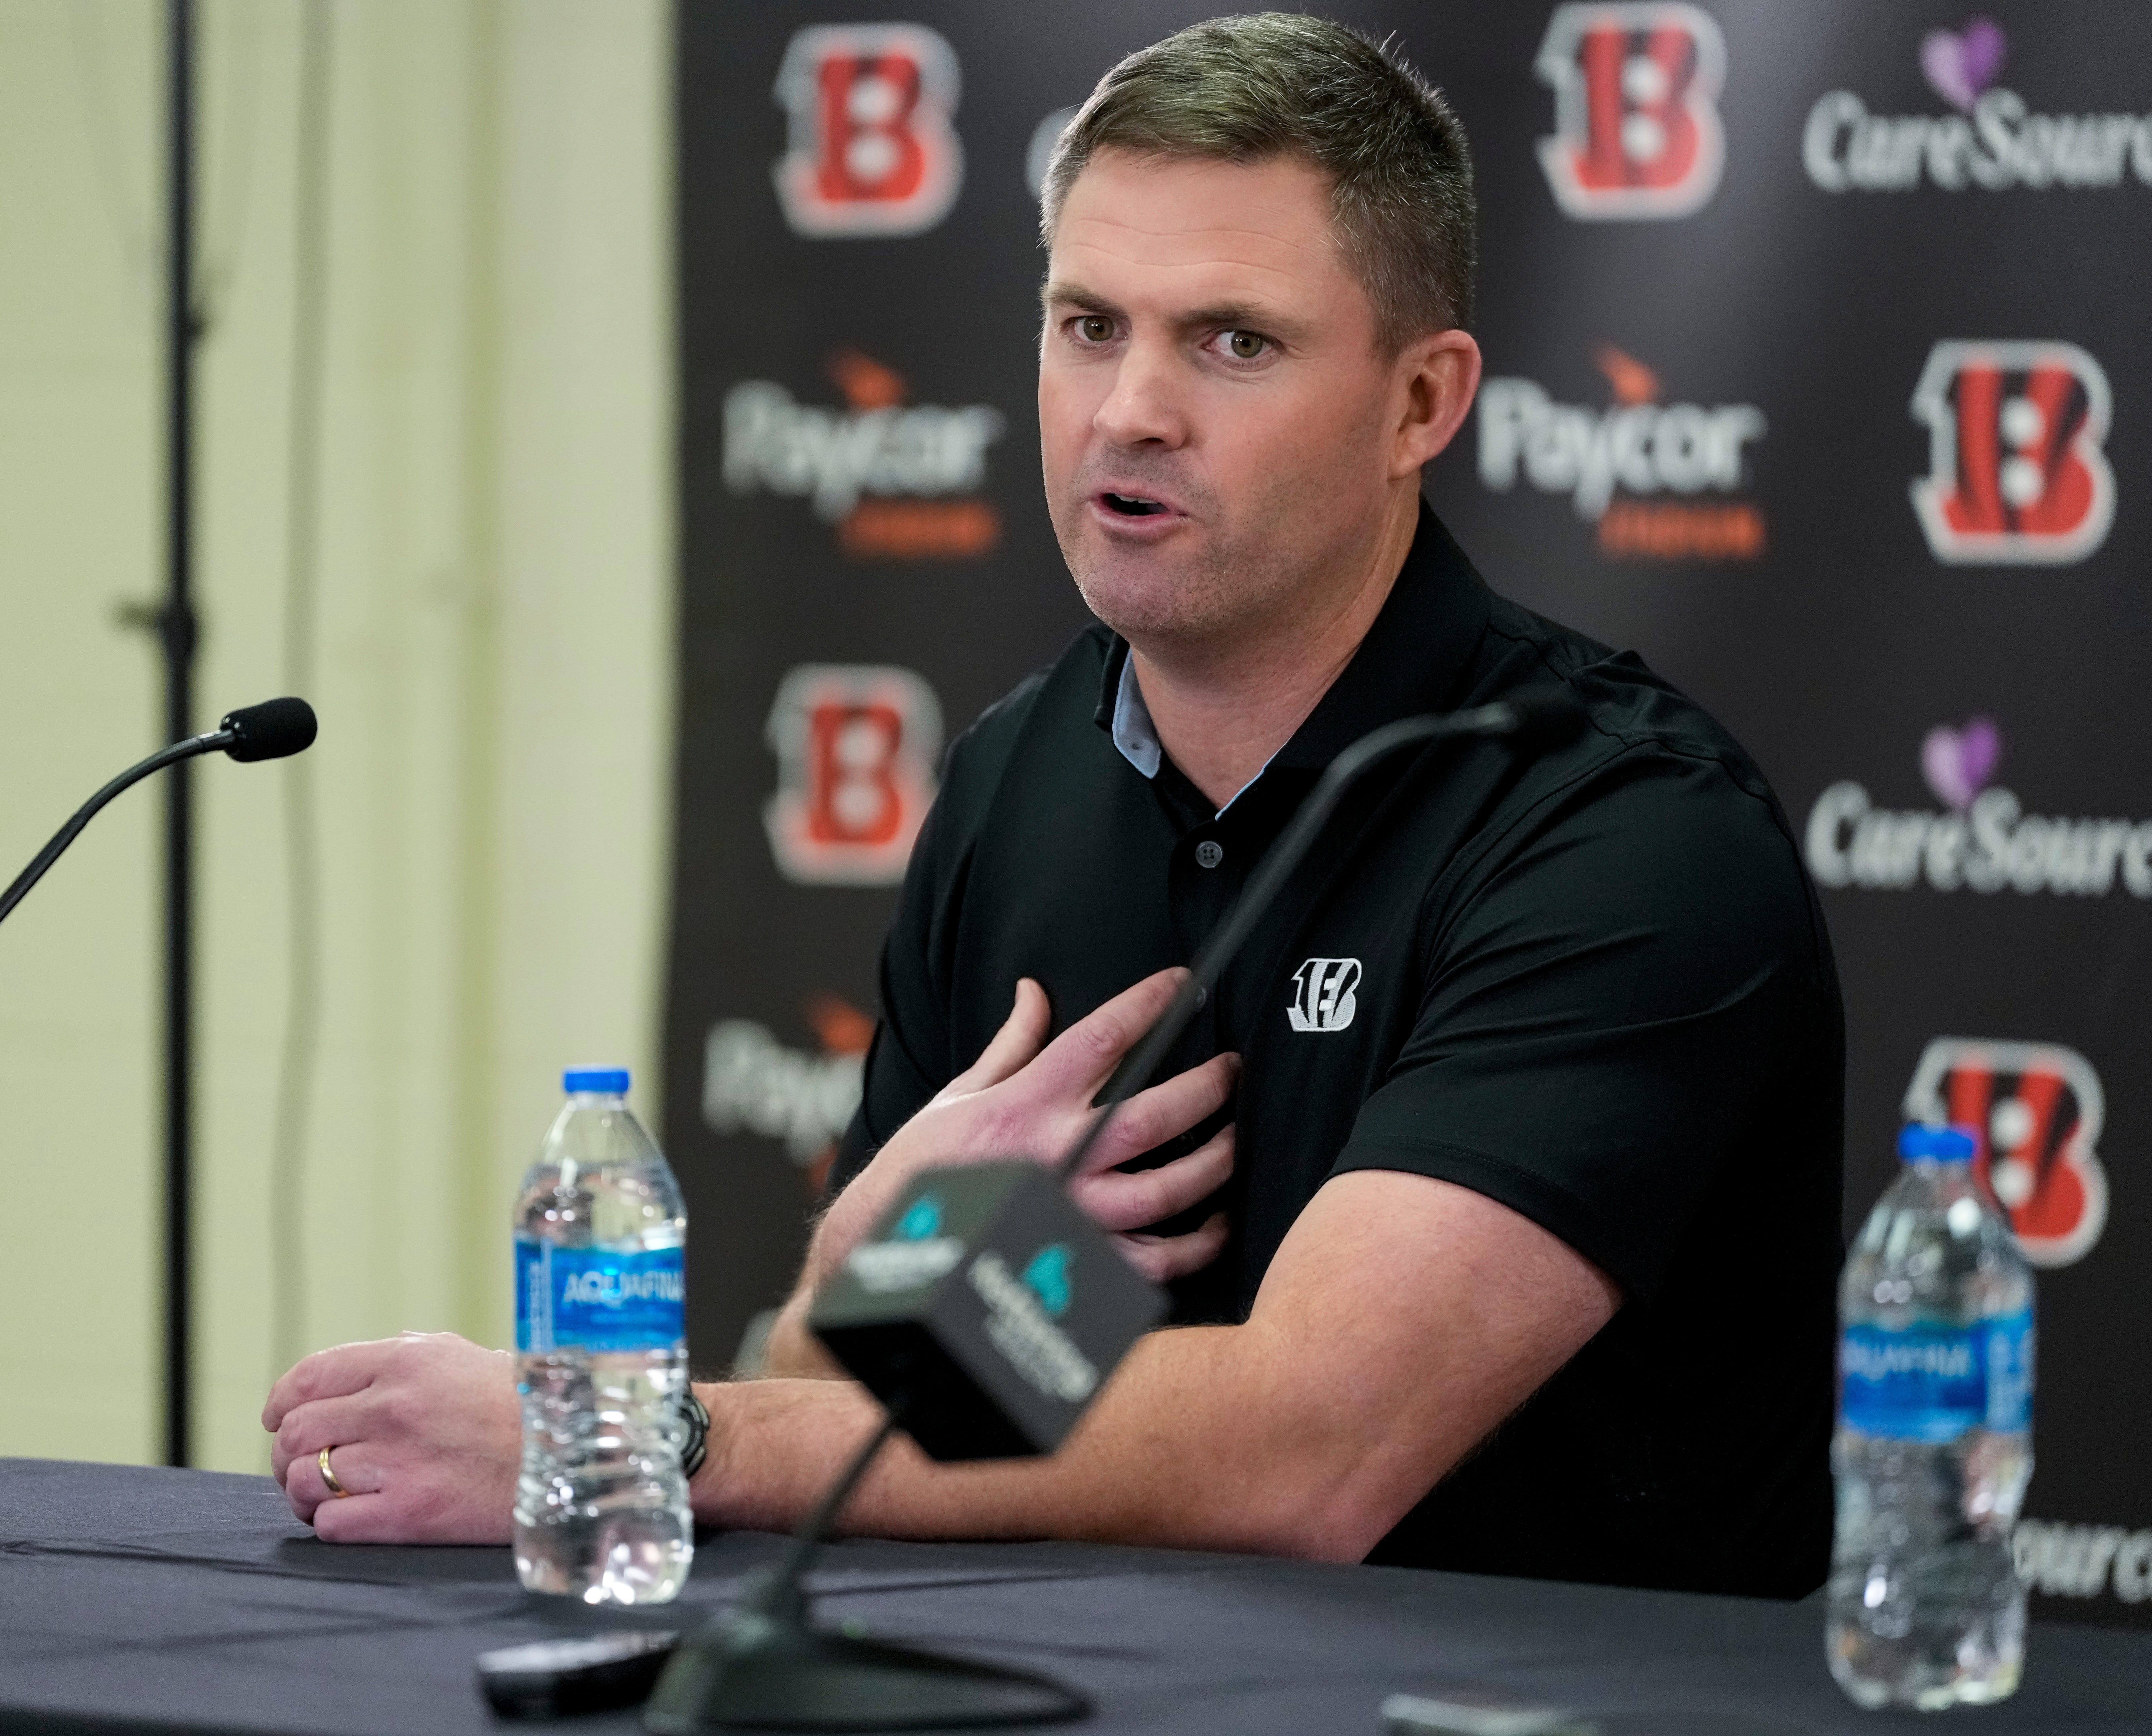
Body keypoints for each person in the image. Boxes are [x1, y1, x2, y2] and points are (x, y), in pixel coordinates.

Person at [262, 13, 1843, 1597]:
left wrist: (614, 1433)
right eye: (1088, 325)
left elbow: (1311, 1451)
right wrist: (863, 1261)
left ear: (1419, 403)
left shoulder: (1623, 830)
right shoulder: (1016, 773)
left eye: (1232, 341)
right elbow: (837, 1409)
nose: (1129, 410)